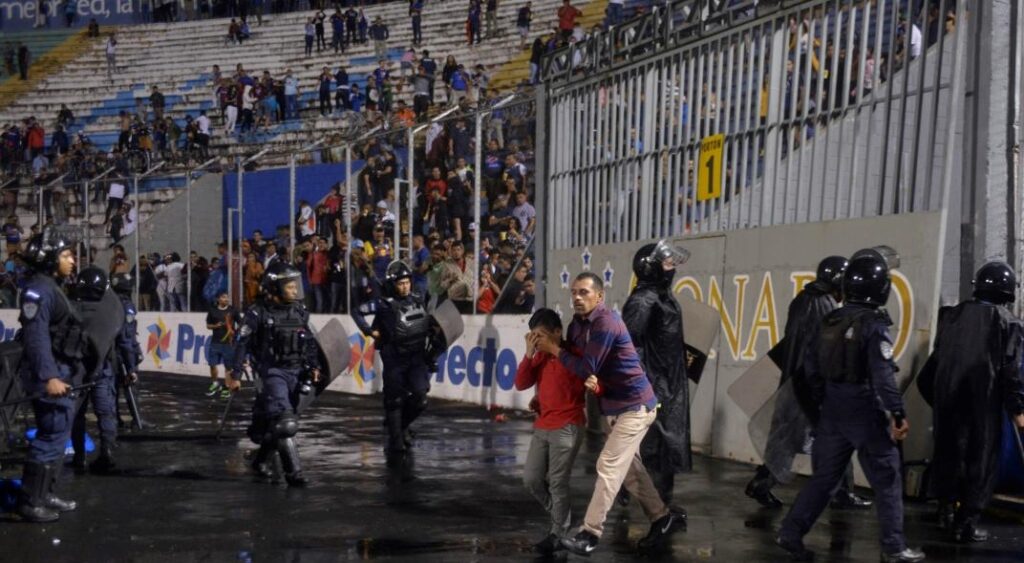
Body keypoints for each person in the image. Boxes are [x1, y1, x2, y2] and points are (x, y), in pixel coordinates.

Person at [777, 249, 925, 563]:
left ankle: (790, 533)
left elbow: (810, 370)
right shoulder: (873, 324)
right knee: (887, 479)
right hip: (863, 408)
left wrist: (822, 408)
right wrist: (897, 412)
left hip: (832, 410)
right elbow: (883, 375)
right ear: (881, 288)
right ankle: (894, 547)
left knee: (824, 480)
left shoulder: (829, 318)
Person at [535, 272, 685, 555]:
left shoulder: (606, 322)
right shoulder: (577, 325)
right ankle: (662, 518)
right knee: (629, 471)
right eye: (574, 293)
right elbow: (578, 364)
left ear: (599, 296)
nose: (577, 298)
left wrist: (555, 350)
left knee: (608, 466)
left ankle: (589, 534)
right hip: (614, 407)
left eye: (584, 293)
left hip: (636, 407)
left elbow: (587, 366)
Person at [746, 255, 872, 510]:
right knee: (836, 437)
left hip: (795, 380)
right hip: (812, 384)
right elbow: (827, 349)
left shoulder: (802, 300)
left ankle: (763, 483)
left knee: (787, 440)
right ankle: (841, 493)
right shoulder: (825, 306)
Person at [917, 261, 1024, 543]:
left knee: (949, 455)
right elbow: (1011, 370)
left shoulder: (952, 316)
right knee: (981, 460)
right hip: (982, 404)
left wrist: (939, 400)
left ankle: (946, 512)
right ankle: (966, 524)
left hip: (948, 401)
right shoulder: (1008, 323)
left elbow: (932, 368)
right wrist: (1018, 409)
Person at [14, 232, 84, 522]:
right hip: (49, 374)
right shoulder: (38, 291)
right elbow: (36, 337)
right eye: (67, 255)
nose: (73, 261)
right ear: (50, 259)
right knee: (49, 434)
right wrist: (49, 376)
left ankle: (46, 494)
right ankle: (31, 502)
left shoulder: (51, 287)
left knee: (58, 435)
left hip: (61, 370)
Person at [233, 263, 322, 487]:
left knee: (276, 425)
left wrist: (314, 366)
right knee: (286, 423)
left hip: (297, 372)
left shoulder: (299, 311)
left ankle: (260, 461)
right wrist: (234, 373)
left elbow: (309, 342)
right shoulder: (258, 312)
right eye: (290, 286)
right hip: (272, 372)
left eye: (296, 286)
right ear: (275, 288)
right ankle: (295, 475)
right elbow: (241, 343)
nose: (295, 290)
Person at [622, 241, 692, 509]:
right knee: (653, 448)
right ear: (651, 269)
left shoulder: (662, 297)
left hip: (669, 383)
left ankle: (664, 507)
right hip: (654, 386)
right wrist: (643, 387)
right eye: (666, 263)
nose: (672, 267)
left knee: (665, 448)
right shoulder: (643, 301)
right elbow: (628, 347)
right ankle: (658, 512)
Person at [355, 261, 444, 464]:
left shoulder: (418, 299)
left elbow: (427, 323)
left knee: (420, 397)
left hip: (416, 357)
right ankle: (395, 439)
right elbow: (357, 312)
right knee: (394, 400)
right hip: (394, 356)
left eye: (407, 282)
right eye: (400, 283)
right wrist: (369, 331)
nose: (404, 286)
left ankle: (400, 427)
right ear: (393, 284)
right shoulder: (383, 303)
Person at [516, 308, 586, 556]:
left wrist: (555, 350)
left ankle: (559, 533)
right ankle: (562, 516)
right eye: (535, 337)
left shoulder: (574, 356)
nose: (539, 342)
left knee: (557, 482)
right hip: (543, 425)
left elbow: (582, 378)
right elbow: (521, 383)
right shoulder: (540, 357)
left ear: (558, 332)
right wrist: (529, 354)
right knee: (532, 480)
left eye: (543, 336)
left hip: (567, 425)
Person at [68, 267, 128, 474]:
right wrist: (131, 367)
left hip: (77, 371)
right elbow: (124, 341)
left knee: (77, 415)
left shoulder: (70, 307)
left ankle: (79, 456)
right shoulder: (112, 310)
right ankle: (107, 453)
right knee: (105, 413)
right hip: (102, 370)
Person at [110, 272, 143, 429]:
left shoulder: (108, 303)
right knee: (131, 385)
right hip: (121, 355)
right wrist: (131, 366)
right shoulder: (126, 306)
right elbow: (126, 338)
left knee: (112, 390)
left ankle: (114, 420)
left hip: (109, 354)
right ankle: (137, 420)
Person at [206, 291, 239, 399]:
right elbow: (208, 326)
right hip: (215, 342)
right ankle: (215, 383)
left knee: (228, 368)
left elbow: (241, 323)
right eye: (224, 297)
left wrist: (235, 332)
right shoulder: (212, 311)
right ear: (218, 299)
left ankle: (226, 388)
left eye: (227, 297)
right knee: (212, 364)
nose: (226, 299)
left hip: (228, 344)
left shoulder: (233, 310)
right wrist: (216, 326)